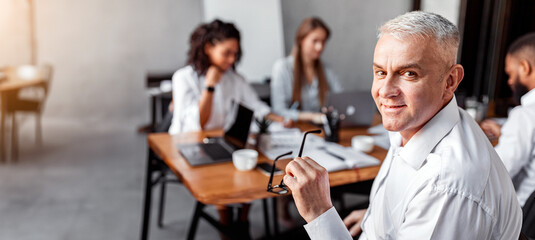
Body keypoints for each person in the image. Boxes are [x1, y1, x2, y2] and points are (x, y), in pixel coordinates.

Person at [284, 11, 522, 239]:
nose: (385, 91)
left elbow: (433, 196)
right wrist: (374, 216)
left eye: (409, 73)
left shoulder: (446, 187)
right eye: (380, 72)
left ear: (450, 81)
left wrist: (319, 215)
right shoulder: (418, 123)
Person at [169, 19, 288, 135]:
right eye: (226, 53)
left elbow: (256, 106)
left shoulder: (235, 79)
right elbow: (197, 124)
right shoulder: (183, 77)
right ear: (208, 48)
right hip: (184, 142)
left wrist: (281, 120)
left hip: (217, 141)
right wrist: (209, 86)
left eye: (235, 54)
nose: (232, 59)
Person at [481, 32, 535, 206]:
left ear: (525, 67)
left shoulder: (524, 116)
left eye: (510, 74)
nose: (510, 81)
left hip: (523, 222)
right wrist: (505, 131)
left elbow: (494, 173)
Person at [270, 17, 342, 124]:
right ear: (301, 40)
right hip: (296, 129)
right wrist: (312, 117)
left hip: (320, 130)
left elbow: (342, 100)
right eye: (315, 41)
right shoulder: (282, 68)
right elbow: (278, 110)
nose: (320, 47)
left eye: (323, 41)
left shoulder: (326, 70)